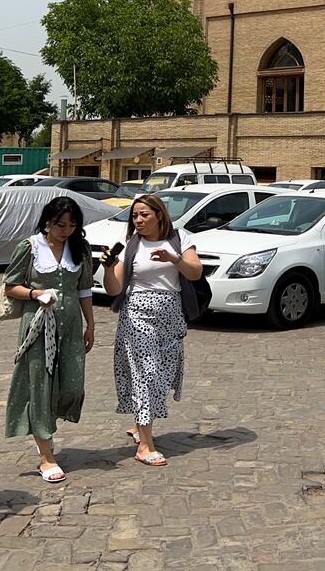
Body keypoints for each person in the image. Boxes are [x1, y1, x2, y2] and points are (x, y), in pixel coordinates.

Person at [102, 192, 203, 467]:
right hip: (137, 315)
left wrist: (175, 259)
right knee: (146, 373)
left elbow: (195, 272)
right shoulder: (131, 247)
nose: (138, 220)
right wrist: (108, 269)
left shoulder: (180, 239)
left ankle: (140, 423)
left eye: (144, 214)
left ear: (159, 214)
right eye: (134, 216)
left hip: (171, 315)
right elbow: (115, 289)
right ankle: (145, 445)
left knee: (164, 373)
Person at [2, 195, 96, 483]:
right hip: (40, 325)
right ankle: (46, 454)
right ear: (47, 222)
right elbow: (10, 286)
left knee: (72, 385)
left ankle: (46, 426)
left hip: (70, 326)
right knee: (40, 385)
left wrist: (90, 325)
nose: (65, 230)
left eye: (71, 224)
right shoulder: (30, 248)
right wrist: (34, 294)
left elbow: (84, 290)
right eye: (60, 224)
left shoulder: (80, 248)